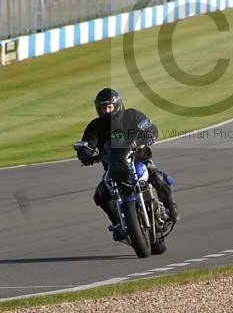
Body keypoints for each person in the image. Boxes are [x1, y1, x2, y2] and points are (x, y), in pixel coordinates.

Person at [76, 88, 179, 241]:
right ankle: (117, 222)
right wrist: (85, 154)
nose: (106, 111)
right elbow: (87, 144)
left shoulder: (131, 116)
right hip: (113, 167)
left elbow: (150, 128)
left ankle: (171, 207)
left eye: (109, 107)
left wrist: (145, 138)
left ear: (117, 105)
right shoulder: (96, 126)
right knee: (100, 194)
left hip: (138, 159)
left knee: (157, 177)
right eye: (103, 108)